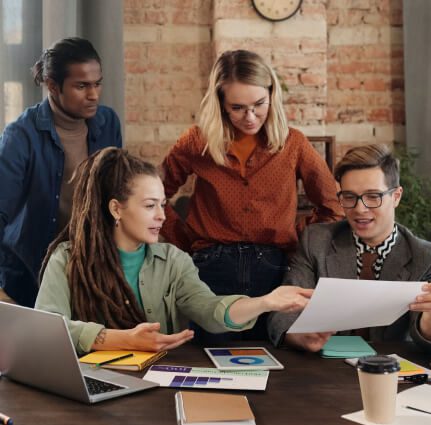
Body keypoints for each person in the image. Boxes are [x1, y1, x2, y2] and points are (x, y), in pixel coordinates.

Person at [35, 147, 312, 355]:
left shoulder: (174, 261)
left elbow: (210, 309)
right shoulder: (68, 259)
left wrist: (266, 302)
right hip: (91, 385)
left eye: (163, 204)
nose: (162, 216)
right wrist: (122, 339)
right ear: (116, 208)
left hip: (158, 387)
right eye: (149, 205)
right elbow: (47, 329)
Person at [161, 49, 343, 342]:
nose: (250, 117)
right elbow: (156, 196)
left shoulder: (294, 144)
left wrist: (294, 234)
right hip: (210, 270)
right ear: (220, 103)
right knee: (210, 360)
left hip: (272, 269)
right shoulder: (196, 142)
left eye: (259, 104)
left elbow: (332, 207)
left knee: (273, 361)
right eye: (237, 108)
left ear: (272, 94)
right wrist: (185, 240)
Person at [267, 143, 431, 353]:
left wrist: (428, 324)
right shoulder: (316, 240)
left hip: (392, 371)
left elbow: (421, 333)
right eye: (349, 197)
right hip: (324, 368)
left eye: (373, 197)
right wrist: (298, 335)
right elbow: (282, 313)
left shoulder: (424, 256)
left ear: (396, 196)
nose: (360, 209)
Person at [0, 37, 122, 307]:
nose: (94, 95)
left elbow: (116, 192)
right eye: (81, 86)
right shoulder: (20, 135)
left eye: (97, 83)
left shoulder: (109, 122)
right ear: (53, 86)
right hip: (29, 273)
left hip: (91, 269)